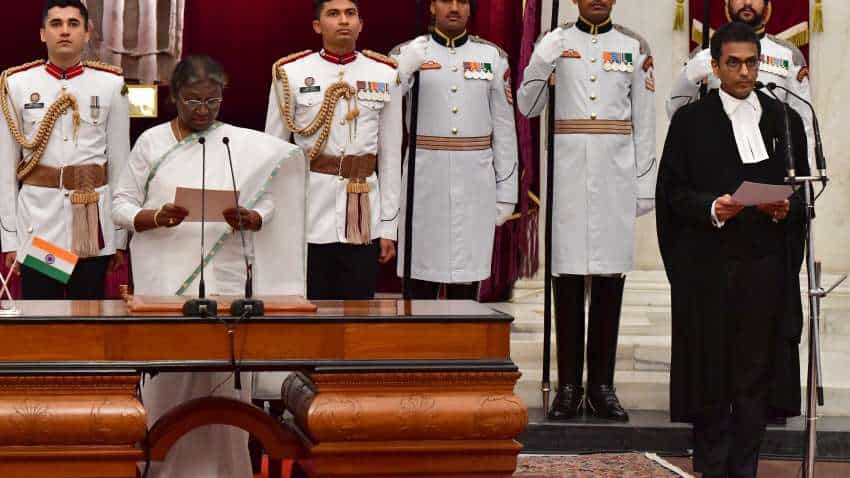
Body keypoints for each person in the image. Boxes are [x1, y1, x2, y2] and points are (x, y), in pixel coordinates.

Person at [112, 55, 306, 478]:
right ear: (174, 99)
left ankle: (228, 471)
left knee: (224, 381)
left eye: (212, 101)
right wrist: (154, 217)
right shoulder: (151, 142)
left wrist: (253, 217)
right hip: (165, 278)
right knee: (170, 382)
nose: (203, 110)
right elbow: (120, 203)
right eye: (193, 101)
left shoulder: (238, 143)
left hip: (227, 277)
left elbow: (271, 196)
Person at [656, 22, 807, 478]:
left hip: (763, 268)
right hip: (709, 269)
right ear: (716, 67)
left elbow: (801, 191)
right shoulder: (691, 121)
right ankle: (712, 466)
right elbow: (672, 195)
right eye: (734, 63)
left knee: (753, 377)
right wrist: (713, 208)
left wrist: (786, 209)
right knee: (711, 373)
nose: (744, 72)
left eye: (751, 62)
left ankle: (746, 468)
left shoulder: (784, 118)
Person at [516, 0, 656, 421]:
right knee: (569, 280)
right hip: (569, 176)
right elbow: (528, 106)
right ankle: (569, 386)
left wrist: (643, 185)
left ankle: (602, 386)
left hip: (615, 175)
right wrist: (542, 62)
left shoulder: (633, 45)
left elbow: (644, 121)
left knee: (611, 280)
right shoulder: (554, 41)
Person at [265, 0, 402, 300]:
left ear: (360, 24)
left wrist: (390, 227)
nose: (343, 21)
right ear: (318, 26)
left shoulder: (385, 74)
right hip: (309, 209)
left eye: (350, 14)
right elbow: (272, 153)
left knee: (358, 309)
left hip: (364, 208)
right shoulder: (291, 73)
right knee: (311, 306)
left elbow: (391, 157)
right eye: (333, 14)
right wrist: (274, 218)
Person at [0, 0, 129, 299]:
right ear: (43, 34)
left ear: (87, 33)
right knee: (42, 316)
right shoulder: (17, 84)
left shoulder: (111, 84)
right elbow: (6, 169)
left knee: (88, 315)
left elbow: (121, 164)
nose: (65, 31)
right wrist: (9, 239)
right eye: (56, 24)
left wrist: (119, 237)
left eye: (73, 24)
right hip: (39, 222)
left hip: (92, 222)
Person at [390, 0, 518, 300]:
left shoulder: (492, 57)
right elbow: (384, 111)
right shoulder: (405, 53)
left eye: (462, 2)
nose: (454, 8)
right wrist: (403, 72)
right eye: (446, 0)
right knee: (420, 279)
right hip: (424, 182)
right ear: (432, 7)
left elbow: (505, 129)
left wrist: (506, 192)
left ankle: (464, 347)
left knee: (467, 282)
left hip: (476, 183)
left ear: (471, 9)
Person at [667, 0, 815, 167]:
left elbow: (803, 123)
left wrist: (804, 177)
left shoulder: (788, 54)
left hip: (769, 160)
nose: (747, 2)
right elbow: (676, 112)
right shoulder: (706, 53)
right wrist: (691, 75)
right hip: (716, 158)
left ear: (767, 4)